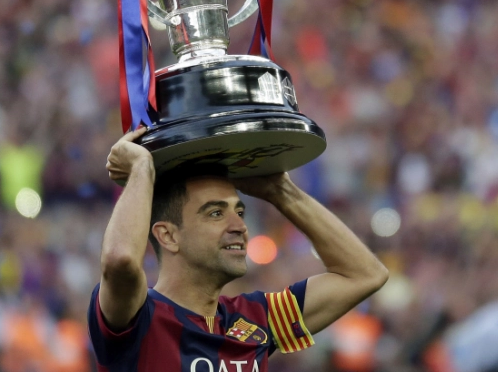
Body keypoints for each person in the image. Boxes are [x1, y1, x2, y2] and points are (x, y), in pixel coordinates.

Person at [89, 127, 389, 371]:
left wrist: (281, 192)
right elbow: (120, 260)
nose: (240, 226)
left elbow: (365, 275)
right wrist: (142, 169)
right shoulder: (136, 317)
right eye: (215, 213)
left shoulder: (255, 318)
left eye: (240, 211)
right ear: (168, 236)